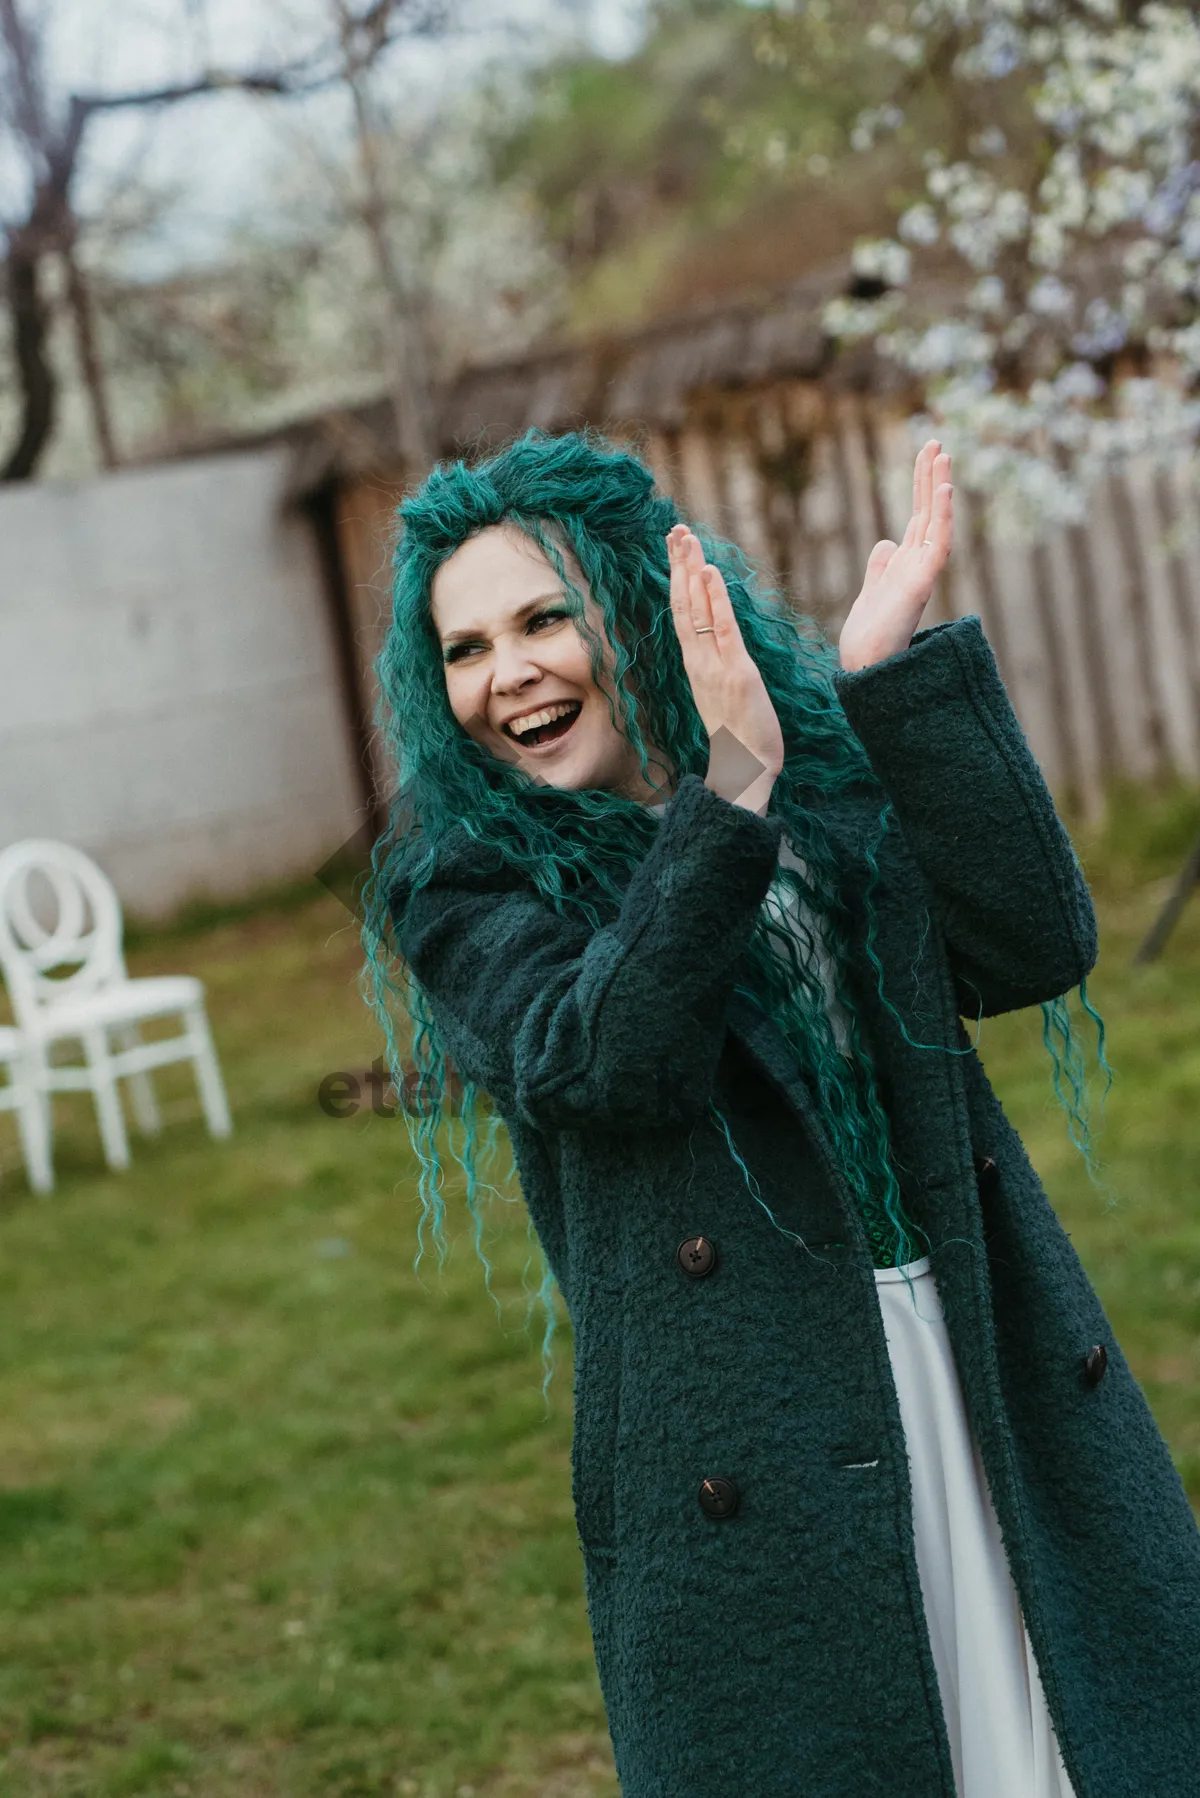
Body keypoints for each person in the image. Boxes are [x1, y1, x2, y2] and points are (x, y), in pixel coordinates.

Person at [365, 428, 1200, 1798]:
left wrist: (887, 687)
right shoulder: (462, 880)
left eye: (541, 617)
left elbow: (1033, 943)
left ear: (639, 603)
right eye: (463, 647)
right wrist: (728, 794)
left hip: (972, 1347)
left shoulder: (815, 778)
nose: (505, 672)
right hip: (751, 1435)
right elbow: (607, 1058)